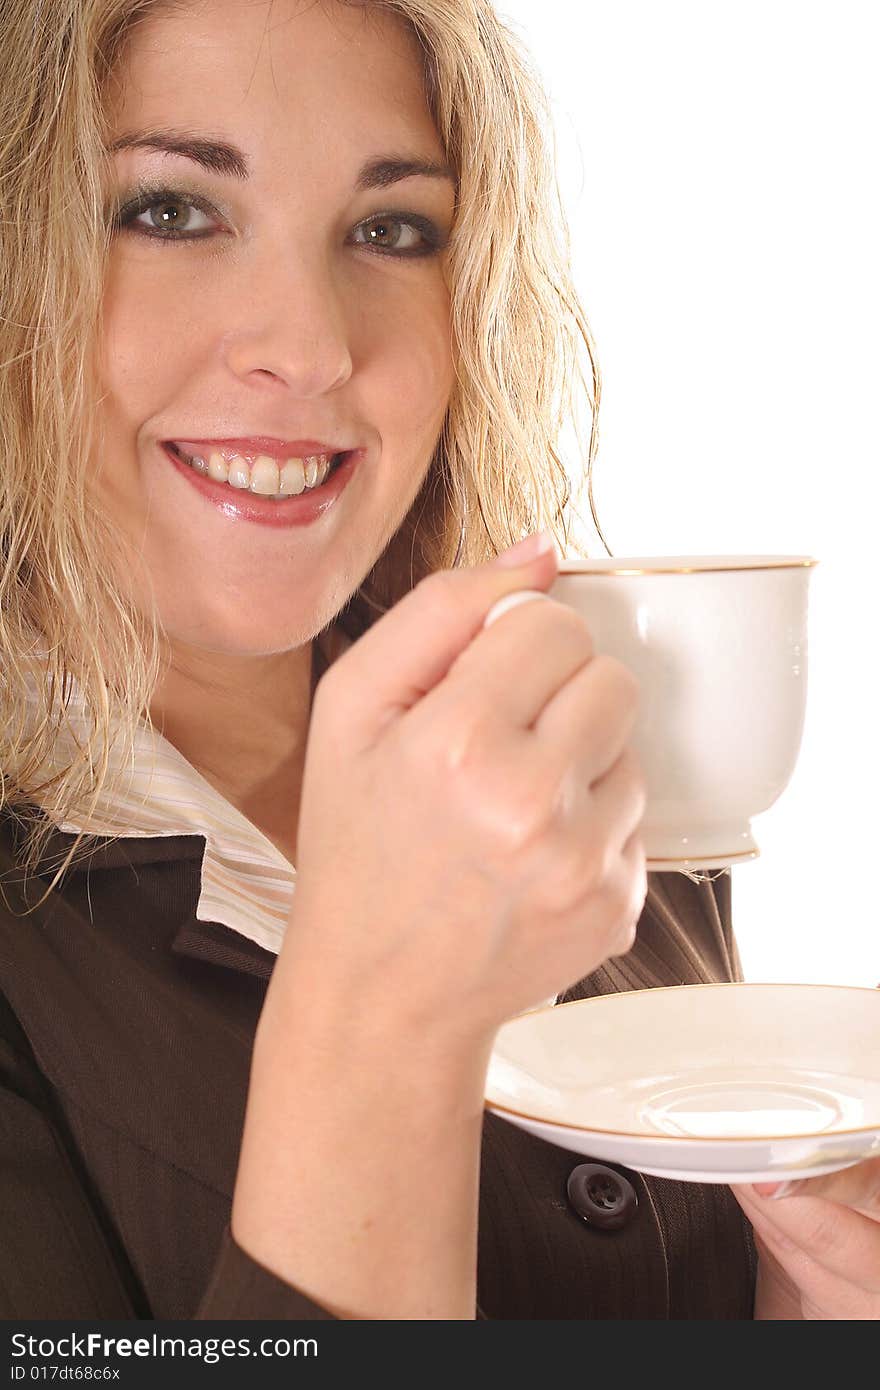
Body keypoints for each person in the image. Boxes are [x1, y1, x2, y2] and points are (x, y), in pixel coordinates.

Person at [0, 0, 874, 1322]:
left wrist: (821, 1309)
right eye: (171, 209)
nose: (309, 346)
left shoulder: (582, 781)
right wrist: (381, 1025)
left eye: (389, 229)